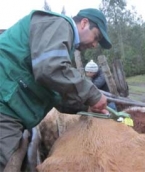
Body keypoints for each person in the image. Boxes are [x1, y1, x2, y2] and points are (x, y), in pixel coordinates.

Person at [0, 8, 112, 170]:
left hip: (9, 107)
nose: (95, 44)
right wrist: (93, 95)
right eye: (97, 36)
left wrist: (87, 107)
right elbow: (50, 68)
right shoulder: (60, 24)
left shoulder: (59, 45)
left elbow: (56, 95)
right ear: (84, 23)